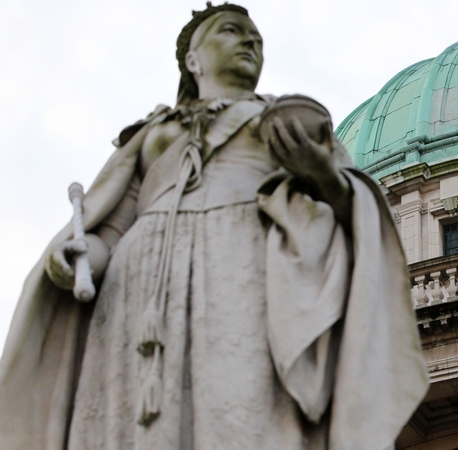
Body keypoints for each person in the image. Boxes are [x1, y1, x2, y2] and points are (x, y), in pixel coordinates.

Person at [0, 3, 427, 449]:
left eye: (256, 39)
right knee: (136, 418)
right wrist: (77, 252)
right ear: (193, 59)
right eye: (232, 31)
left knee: (243, 404)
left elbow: (352, 213)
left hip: (242, 266)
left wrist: (321, 174)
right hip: (140, 286)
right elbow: (111, 229)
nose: (249, 42)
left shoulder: (287, 119)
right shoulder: (150, 133)